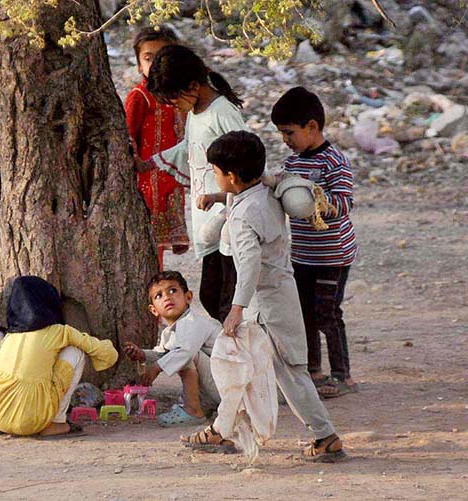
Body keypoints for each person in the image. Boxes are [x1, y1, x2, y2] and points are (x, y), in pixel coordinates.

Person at [181, 131, 346, 462]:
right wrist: (218, 197)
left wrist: (236, 309)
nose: (215, 176)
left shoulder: (244, 216)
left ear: (231, 176)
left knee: (278, 372)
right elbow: (246, 195)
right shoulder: (263, 193)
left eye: (216, 171)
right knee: (244, 368)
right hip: (279, 297)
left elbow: (250, 264)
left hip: (264, 307)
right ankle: (222, 430)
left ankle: (325, 436)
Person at [137, 44, 248, 323]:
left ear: (194, 86)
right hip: (207, 220)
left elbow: (247, 157)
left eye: (175, 99)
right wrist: (148, 163)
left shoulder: (222, 112)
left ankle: (241, 360)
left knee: (226, 299)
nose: (174, 106)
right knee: (213, 297)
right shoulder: (196, 114)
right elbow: (189, 149)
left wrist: (227, 200)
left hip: (228, 220)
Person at [271, 87, 359, 399]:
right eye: (281, 133)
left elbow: (345, 202)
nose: (285, 139)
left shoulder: (335, 161)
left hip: (332, 255)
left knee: (328, 314)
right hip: (303, 255)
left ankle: (342, 375)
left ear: (312, 126)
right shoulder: (293, 163)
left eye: (289, 132)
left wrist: (314, 202)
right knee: (304, 313)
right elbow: (280, 188)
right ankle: (313, 371)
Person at [0, 276, 118, 438]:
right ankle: (57, 422)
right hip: (34, 419)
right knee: (75, 353)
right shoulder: (59, 332)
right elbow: (107, 353)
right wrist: (111, 356)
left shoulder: (9, 337)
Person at [124, 26, 190, 269]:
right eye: (148, 58)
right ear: (139, 64)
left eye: (161, 57)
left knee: (159, 246)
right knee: (149, 247)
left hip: (169, 180)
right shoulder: (140, 96)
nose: (154, 64)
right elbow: (129, 137)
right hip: (147, 183)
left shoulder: (177, 96)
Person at [123, 270, 221, 427]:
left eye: (173, 290)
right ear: (154, 310)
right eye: (159, 296)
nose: (167, 297)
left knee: (187, 357)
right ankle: (203, 406)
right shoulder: (170, 331)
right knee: (177, 355)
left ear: (188, 297)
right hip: (217, 388)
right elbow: (162, 354)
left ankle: (193, 411)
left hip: (229, 387)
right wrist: (142, 355)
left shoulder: (192, 322)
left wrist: (155, 368)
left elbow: (185, 352)